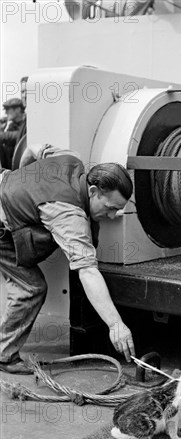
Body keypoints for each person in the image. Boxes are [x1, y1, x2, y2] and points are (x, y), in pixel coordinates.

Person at [0, 144, 135, 373]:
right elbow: (87, 271)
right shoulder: (68, 215)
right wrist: (116, 324)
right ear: (93, 192)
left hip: (4, 181)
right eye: (111, 208)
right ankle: (5, 356)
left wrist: (21, 178)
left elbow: (33, 150)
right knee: (31, 288)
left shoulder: (72, 158)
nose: (113, 216)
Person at [0, 98, 27, 169]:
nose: (5, 113)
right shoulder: (7, 124)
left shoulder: (26, 124)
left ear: (17, 109)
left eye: (7, 110)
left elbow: (18, 136)